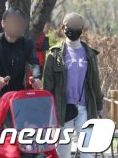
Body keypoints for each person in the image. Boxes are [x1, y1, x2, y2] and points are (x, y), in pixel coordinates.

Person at [0, 7, 42, 158]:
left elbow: (34, 63)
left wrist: (36, 78)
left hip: (17, 99)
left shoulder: (26, 43)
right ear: (3, 23)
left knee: (21, 143)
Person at [43, 13, 103, 158]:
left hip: (85, 108)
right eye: (70, 26)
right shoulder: (54, 55)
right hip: (63, 109)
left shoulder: (89, 54)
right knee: (63, 152)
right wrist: (47, 110)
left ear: (82, 29)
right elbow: (48, 86)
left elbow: (95, 82)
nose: (74, 29)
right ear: (63, 27)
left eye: (77, 27)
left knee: (87, 151)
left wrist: (99, 107)